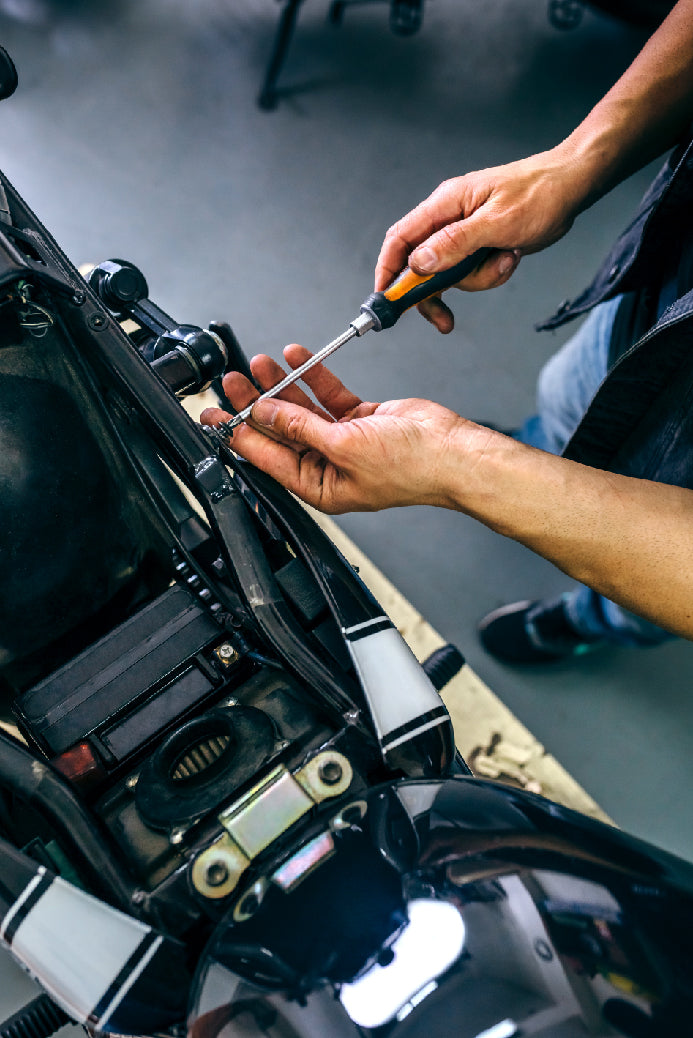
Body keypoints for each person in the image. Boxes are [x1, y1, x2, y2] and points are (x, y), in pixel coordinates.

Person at [202, 0, 693, 664]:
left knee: (634, 597)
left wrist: (460, 466)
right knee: (571, 397)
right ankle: (537, 445)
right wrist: (576, 161)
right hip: (668, 304)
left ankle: (585, 619)